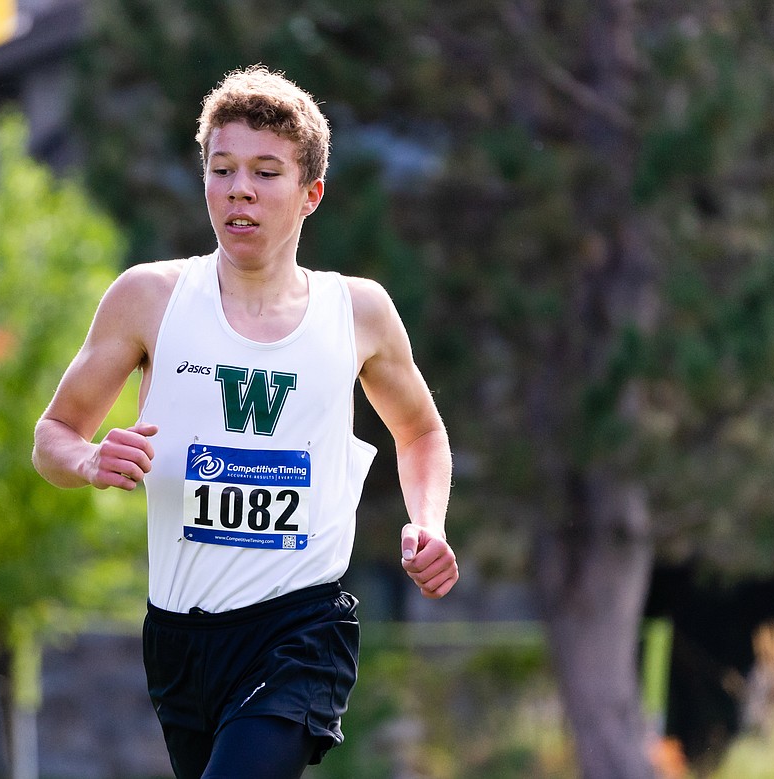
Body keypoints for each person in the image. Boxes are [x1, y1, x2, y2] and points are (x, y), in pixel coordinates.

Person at [33, 64, 457, 779]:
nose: (240, 189)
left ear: (310, 193)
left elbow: (420, 433)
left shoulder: (358, 312)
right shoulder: (149, 299)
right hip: (181, 637)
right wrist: (89, 460)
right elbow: (54, 435)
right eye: (222, 169)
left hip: (300, 629)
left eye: (266, 172)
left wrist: (430, 521)